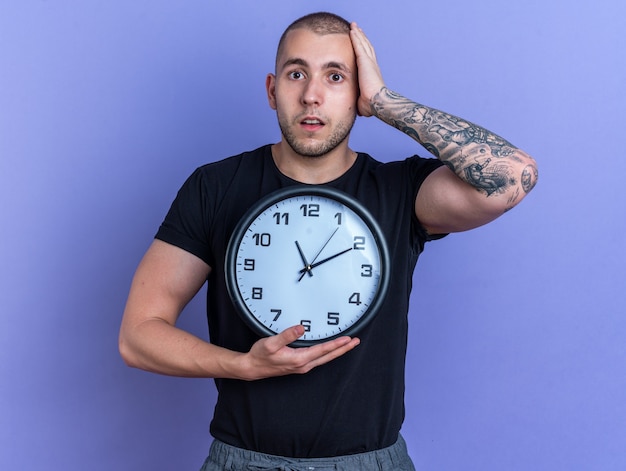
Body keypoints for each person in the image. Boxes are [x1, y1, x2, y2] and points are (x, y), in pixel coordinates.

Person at [119, 11, 538, 470]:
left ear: (356, 93)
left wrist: (385, 101)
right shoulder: (215, 187)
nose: (312, 95)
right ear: (271, 89)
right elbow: (138, 337)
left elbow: (514, 175)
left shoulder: (400, 192)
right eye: (295, 73)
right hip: (243, 461)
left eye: (335, 77)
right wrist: (243, 365)